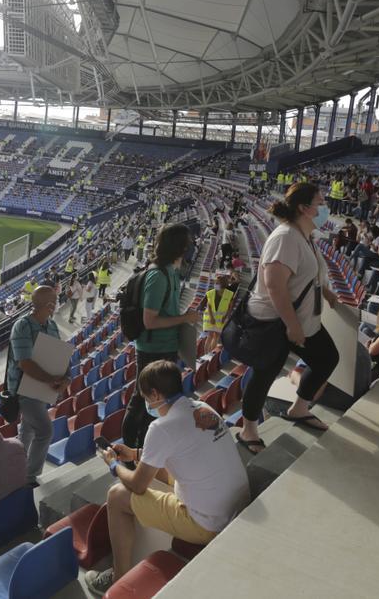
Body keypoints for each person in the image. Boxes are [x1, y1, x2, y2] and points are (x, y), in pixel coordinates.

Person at [84, 361, 250, 595]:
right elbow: (182, 450)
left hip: (209, 523)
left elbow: (138, 486)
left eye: (145, 397)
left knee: (117, 495)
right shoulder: (203, 408)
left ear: (155, 394)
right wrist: (134, 454)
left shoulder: (161, 427)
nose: (146, 403)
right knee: (159, 467)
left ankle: (118, 575)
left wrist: (114, 465)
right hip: (236, 505)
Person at [236, 182, 340, 455]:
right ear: (305, 209)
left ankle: (299, 408)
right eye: (320, 203)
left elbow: (306, 273)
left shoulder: (305, 235)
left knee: (327, 358)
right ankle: (248, 430)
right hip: (277, 321)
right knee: (265, 373)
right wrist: (293, 326)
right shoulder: (285, 238)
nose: (324, 208)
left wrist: (326, 291)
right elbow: (275, 285)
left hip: (299, 320)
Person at [122, 224, 201, 450]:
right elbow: (150, 321)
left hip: (166, 347)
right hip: (152, 349)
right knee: (142, 400)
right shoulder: (158, 276)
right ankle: (131, 450)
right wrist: (184, 319)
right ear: (180, 247)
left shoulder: (170, 272)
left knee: (157, 402)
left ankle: (147, 447)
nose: (191, 248)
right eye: (188, 244)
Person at [8, 286, 65, 487]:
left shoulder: (52, 326)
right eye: (55, 301)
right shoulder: (22, 326)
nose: (57, 303)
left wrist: (65, 377)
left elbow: (59, 355)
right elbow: (24, 362)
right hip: (25, 390)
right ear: (49, 305)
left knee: (28, 432)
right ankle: (28, 477)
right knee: (44, 431)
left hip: (43, 390)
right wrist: (51, 378)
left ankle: (14, 468)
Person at [201, 275, 235, 354]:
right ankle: (205, 353)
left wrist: (225, 316)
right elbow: (209, 306)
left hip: (221, 319)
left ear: (222, 284)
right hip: (210, 317)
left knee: (216, 336)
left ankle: (210, 354)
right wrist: (211, 317)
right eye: (215, 283)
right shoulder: (211, 292)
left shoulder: (229, 294)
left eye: (217, 283)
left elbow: (230, 307)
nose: (215, 284)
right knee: (210, 335)